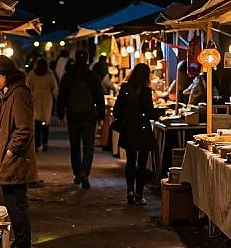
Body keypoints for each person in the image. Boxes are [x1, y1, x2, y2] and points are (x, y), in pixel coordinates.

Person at [0, 55, 37, 248]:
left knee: (16, 202)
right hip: (12, 158)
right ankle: (23, 241)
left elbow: (25, 128)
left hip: (16, 159)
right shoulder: (10, 93)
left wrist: (10, 150)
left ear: (4, 75)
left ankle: (24, 244)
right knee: (14, 201)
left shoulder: (18, 94)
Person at [57, 50, 105, 189]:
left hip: (73, 116)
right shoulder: (91, 76)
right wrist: (101, 115)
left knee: (75, 146)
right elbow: (99, 96)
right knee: (89, 146)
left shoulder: (69, 75)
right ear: (87, 59)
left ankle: (77, 173)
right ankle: (85, 171)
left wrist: (60, 114)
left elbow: (62, 96)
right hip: (89, 116)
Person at [112, 63, 157, 205]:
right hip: (142, 129)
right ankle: (139, 194)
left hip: (129, 129)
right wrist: (159, 114)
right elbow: (149, 112)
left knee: (130, 161)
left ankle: (129, 191)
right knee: (142, 163)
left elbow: (116, 109)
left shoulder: (125, 88)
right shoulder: (146, 91)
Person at [26, 57, 58, 151]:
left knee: (36, 122)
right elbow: (55, 87)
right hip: (47, 99)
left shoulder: (33, 73)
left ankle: (36, 144)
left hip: (35, 98)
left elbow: (27, 85)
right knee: (45, 123)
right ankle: (45, 143)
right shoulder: (49, 74)